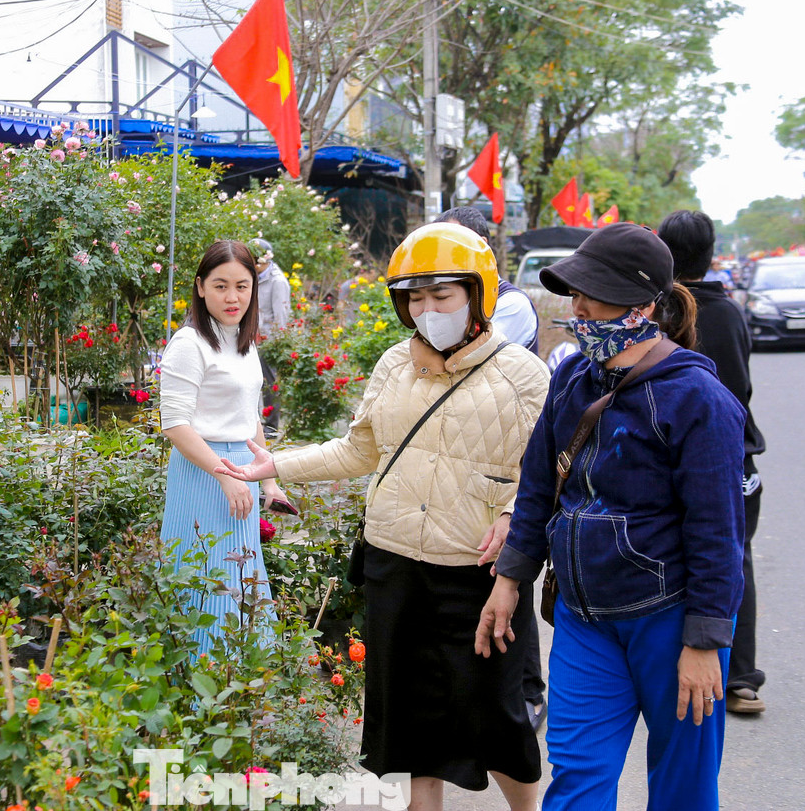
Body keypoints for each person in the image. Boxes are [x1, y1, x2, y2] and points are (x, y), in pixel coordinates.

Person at [217, 223, 551, 811]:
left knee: (496, 720)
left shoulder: (524, 375)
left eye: (442, 296)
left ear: (480, 293)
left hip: (476, 573)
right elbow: (361, 450)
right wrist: (277, 466)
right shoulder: (394, 364)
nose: (428, 310)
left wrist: (511, 515)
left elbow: (546, 474)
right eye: (414, 299)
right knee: (410, 723)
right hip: (395, 565)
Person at [475, 222, 746, 811]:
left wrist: (705, 642)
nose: (577, 309)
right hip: (584, 618)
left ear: (642, 305)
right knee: (576, 779)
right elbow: (539, 488)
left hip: (671, 620)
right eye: (573, 295)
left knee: (682, 788)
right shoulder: (572, 379)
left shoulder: (697, 399)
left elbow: (718, 536)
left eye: (591, 296)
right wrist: (508, 579)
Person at [435, 207, 547, 729]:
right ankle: (480, 691)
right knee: (476, 573)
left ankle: (527, 690)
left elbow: (463, 354)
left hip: (510, 457)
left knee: (508, 567)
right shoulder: (451, 302)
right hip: (461, 453)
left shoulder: (512, 305)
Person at [659, 210, 769, 715]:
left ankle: (667, 673)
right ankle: (740, 678)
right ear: (711, 253)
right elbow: (742, 390)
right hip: (738, 462)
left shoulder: (659, 316)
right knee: (731, 558)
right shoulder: (729, 313)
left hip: (667, 460)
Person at [159, 240, 291, 658]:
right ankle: (197, 695)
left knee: (242, 576)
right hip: (202, 472)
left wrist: (269, 483)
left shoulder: (244, 342)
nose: (232, 297)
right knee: (205, 575)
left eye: (242, 286)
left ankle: (241, 692)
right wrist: (222, 473)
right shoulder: (189, 342)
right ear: (200, 288)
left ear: (255, 287)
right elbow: (175, 424)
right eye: (220, 286)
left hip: (240, 473)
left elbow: (250, 417)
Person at [437, 206, 541, 354]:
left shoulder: (511, 302)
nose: (442, 253)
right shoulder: (444, 298)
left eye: (451, 243)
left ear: (481, 244)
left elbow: (468, 357)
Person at [249, 238, 292, 437]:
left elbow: (281, 317)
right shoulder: (255, 276)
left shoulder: (277, 281)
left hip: (268, 339)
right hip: (252, 337)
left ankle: (272, 426)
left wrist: (274, 341)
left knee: (269, 382)